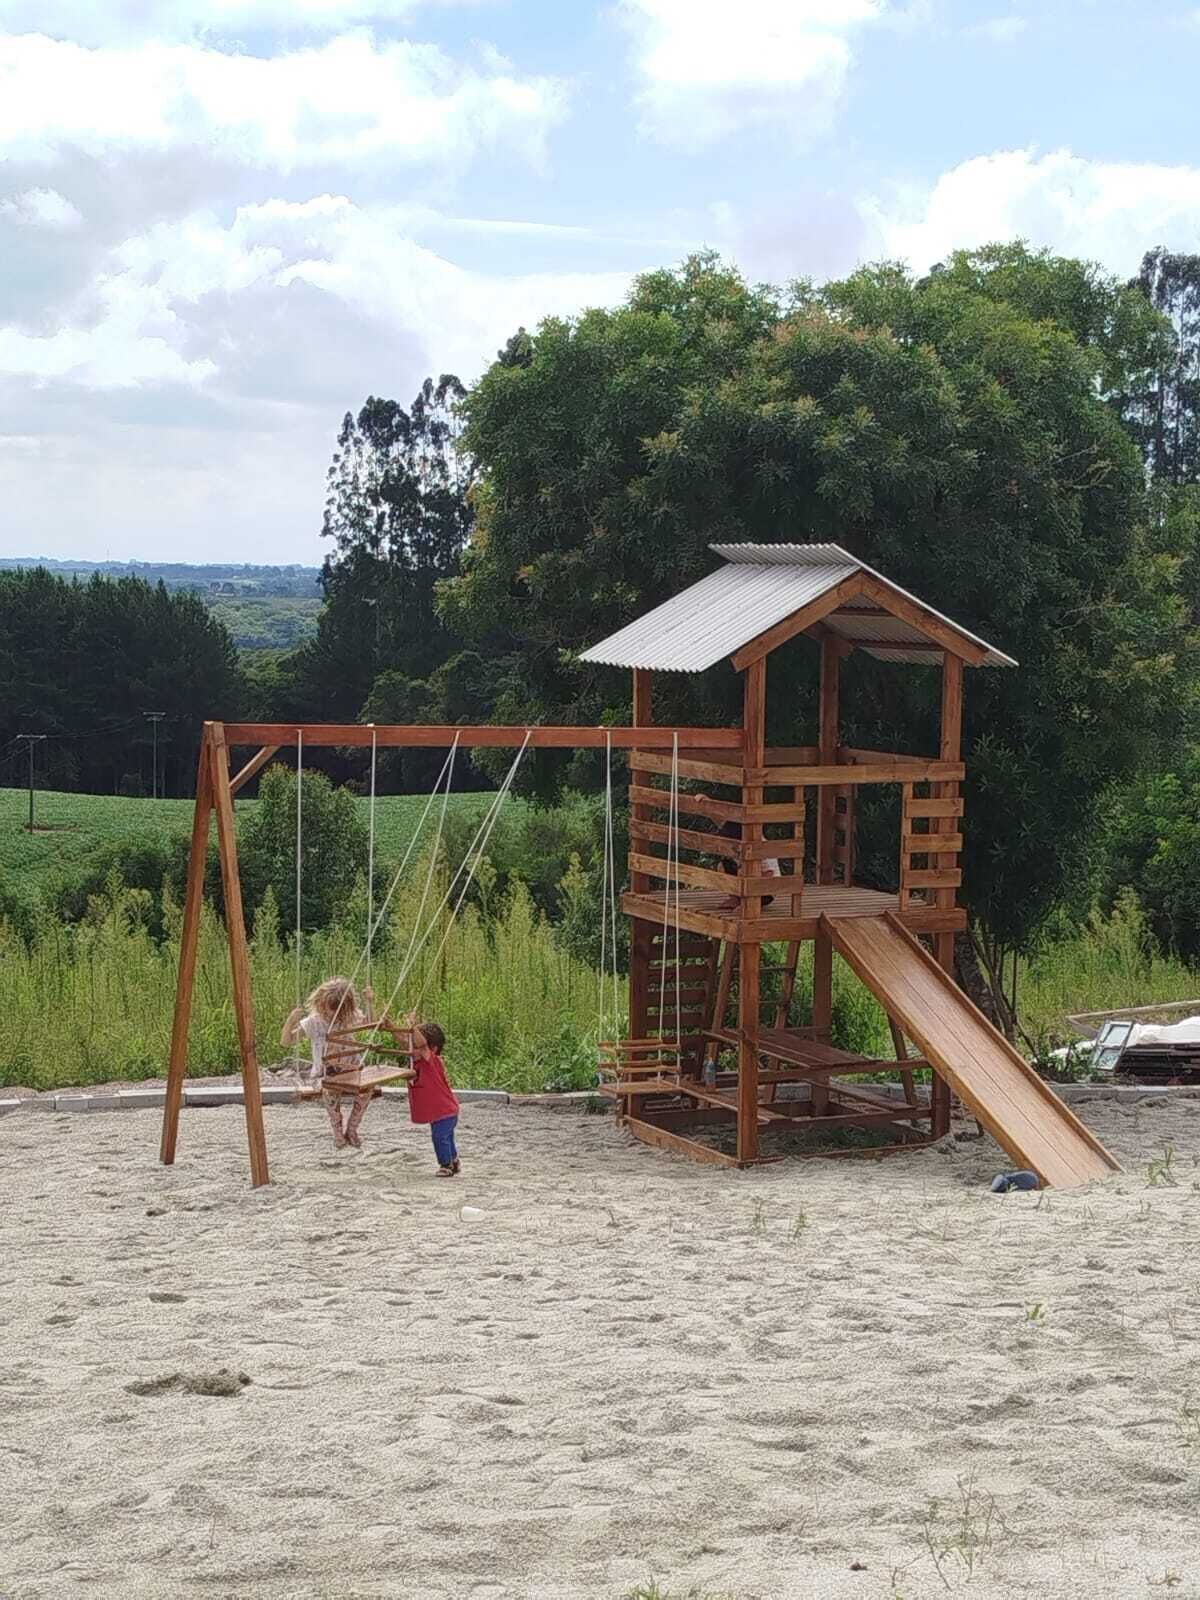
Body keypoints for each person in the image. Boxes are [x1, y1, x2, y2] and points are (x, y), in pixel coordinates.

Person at [281, 977, 375, 1151]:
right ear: (320, 1003)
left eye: (334, 1010)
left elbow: (370, 1024)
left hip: (351, 1070)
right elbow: (287, 1041)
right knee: (331, 1094)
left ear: (345, 1008)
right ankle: (338, 1133)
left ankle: (352, 1129)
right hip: (326, 1074)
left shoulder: (348, 1017)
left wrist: (370, 1001)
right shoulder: (314, 1022)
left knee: (367, 1089)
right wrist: (291, 1020)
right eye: (325, 1008)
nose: (329, 1013)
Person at [378, 1014, 461, 1176]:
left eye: (415, 1046)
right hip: (441, 1112)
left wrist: (413, 1026)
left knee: (440, 1137)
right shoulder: (417, 1061)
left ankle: (446, 1165)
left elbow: (422, 1045)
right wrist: (392, 1028)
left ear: (433, 1048)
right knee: (446, 1137)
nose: (411, 1049)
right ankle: (454, 1161)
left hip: (445, 1111)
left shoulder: (432, 1061)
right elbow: (406, 1043)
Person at [713, 816, 779, 912]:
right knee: (723, 866)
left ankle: (749, 903)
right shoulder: (738, 844)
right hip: (748, 880)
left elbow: (770, 873)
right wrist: (702, 801)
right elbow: (720, 821)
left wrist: (750, 889)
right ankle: (735, 898)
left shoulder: (760, 844)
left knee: (745, 870)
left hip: (766, 891)